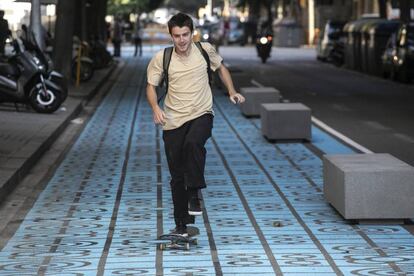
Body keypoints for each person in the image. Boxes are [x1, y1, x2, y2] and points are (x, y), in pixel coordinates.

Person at [146, 13, 245, 236]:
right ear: (171, 35)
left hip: (202, 113)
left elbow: (221, 68)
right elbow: (151, 86)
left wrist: (232, 91)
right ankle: (181, 225)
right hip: (172, 120)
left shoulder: (204, 50)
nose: (181, 40)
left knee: (193, 144)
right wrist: (155, 108)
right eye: (176, 36)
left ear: (192, 33)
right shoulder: (163, 57)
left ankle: (195, 194)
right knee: (177, 175)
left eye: (185, 35)